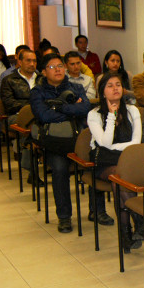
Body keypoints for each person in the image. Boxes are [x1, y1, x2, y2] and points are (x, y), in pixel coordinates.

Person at [30, 53, 91, 233]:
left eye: (60, 66)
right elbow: (43, 115)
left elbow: (85, 108)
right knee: (59, 168)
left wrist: (58, 107)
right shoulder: (38, 92)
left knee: (97, 162)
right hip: (54, 142)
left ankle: (98, 211)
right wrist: (72, 110)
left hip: (77, 138)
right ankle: (64, 217)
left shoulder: (76, 87)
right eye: (52, 67)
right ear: (43, 71)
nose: (57, 69)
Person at [87, 72, 143, 251]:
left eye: (118, 84)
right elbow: (105, 143)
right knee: (118, 178)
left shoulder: (133, 110)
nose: (115, 88)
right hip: (104, 163)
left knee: (119, 181)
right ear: (102, 92)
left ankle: (126, 235)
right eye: (109, 85)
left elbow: (136, 143)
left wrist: (114, 147)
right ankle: (138, 219)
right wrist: (111, 116)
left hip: (127, 161)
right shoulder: (94, 114)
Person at [0, 49, 40, 184]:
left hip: (40, 116)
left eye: (34, 61)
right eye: (28, 60)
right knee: (34, 127)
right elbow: (9, 103)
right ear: (19, 62)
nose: (32, 64)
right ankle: (32, 170)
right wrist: (31, 108)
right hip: (15, 116)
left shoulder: (41, 79)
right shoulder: (9, 80)